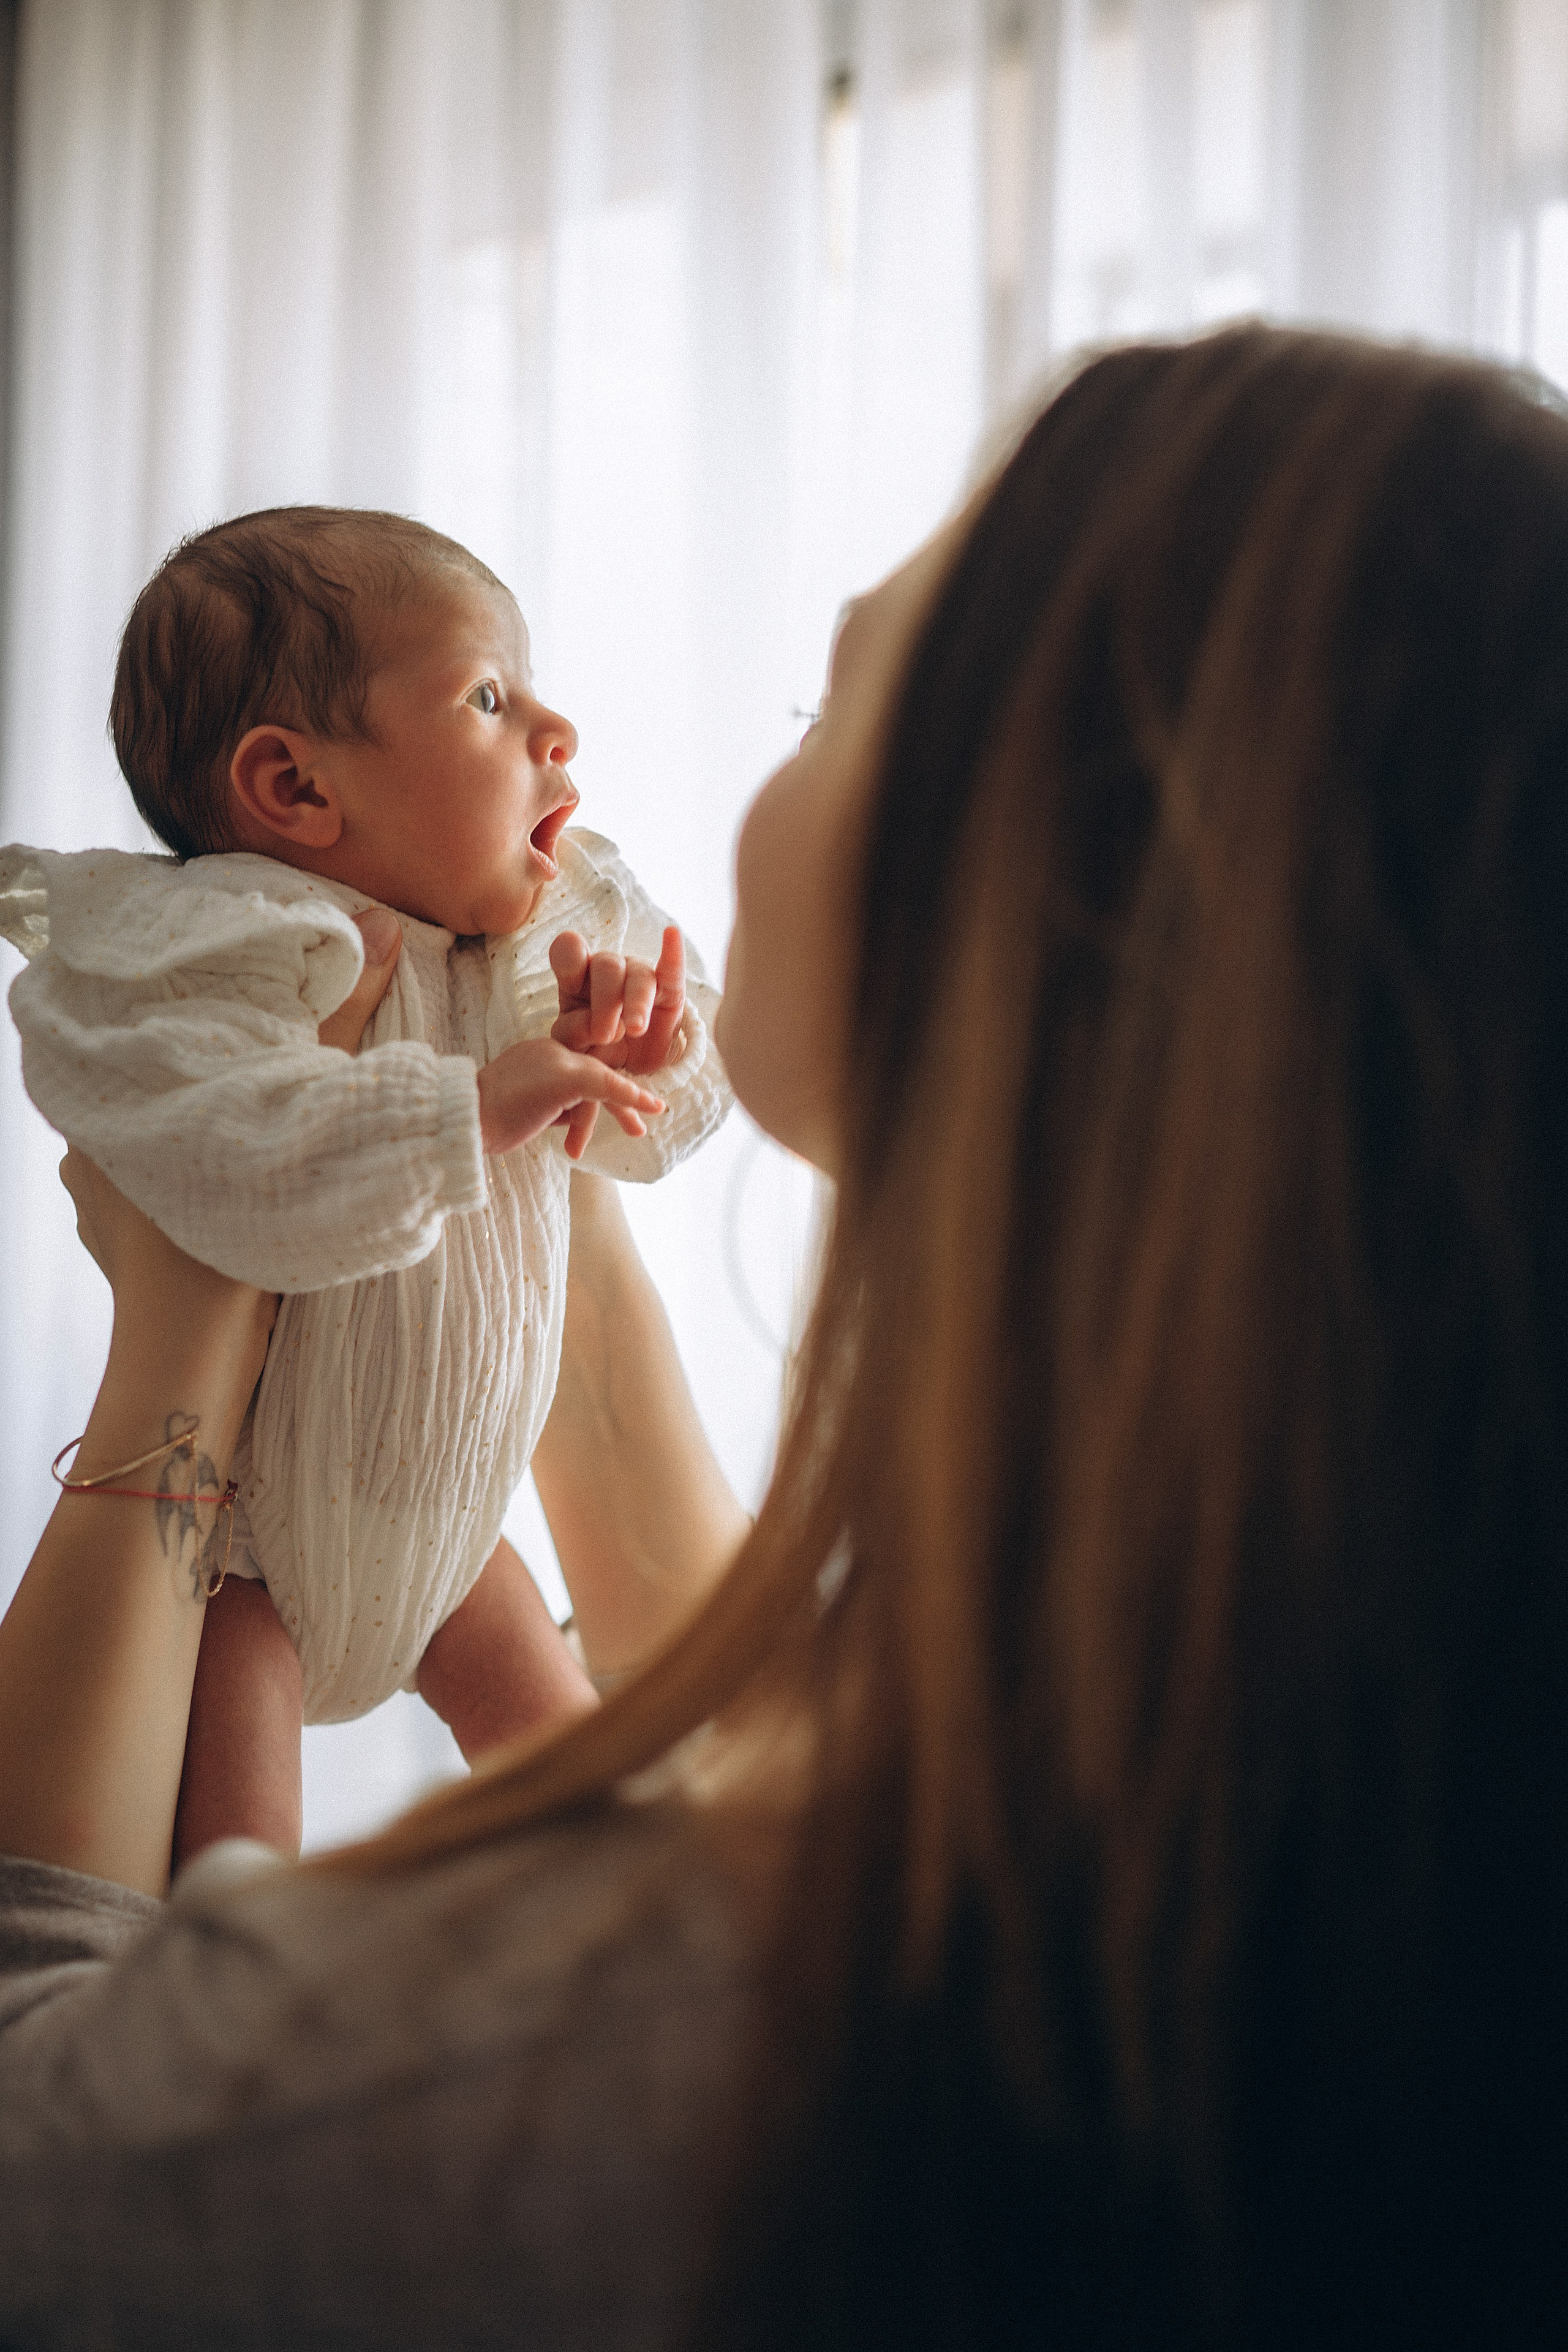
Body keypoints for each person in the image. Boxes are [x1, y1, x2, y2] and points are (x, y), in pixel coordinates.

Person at [1, 322, 1566, 2347]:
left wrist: (178, 1337)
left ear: (1045, 896)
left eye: (828, 702)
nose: (589, 762)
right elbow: (702, 1727)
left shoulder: (632, 2033)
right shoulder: (1350, 1820)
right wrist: (521, 1146)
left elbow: (47, 2160)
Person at [0, 508, 733, 1865]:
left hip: (455, 1535)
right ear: (294, 791)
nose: (555, 726)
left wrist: (628, 1045)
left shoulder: (518, 951)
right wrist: (481, 1100)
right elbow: (232, 1157)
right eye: (489, 695)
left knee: (606, 1850)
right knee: (238, 1906)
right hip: (243, 1559)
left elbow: (652, 1128)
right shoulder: (230, 950)